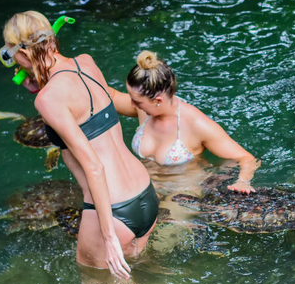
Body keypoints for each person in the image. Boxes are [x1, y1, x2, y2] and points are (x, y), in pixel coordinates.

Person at [0, 11, 158, 280]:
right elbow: (84, 104)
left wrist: (108, 238)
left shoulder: (47, 100)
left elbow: (94, 166)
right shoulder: (86, 62)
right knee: (137, 283)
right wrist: (40, 85)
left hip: (113, 210)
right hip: (146, 195)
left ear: (24, 54)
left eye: (8, 53)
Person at [110, 51, 259, 193]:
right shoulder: (143, 109)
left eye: (137, 101)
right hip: (146, 185)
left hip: (183, 191)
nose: (132, 105)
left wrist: (243, 181)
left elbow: (247, 158)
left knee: (168, 219)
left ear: (158, 101)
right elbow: (110, 96)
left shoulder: (197, 124)